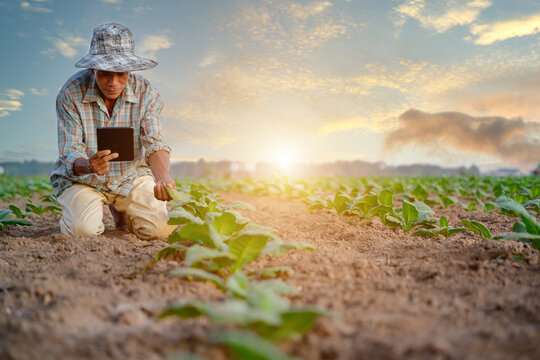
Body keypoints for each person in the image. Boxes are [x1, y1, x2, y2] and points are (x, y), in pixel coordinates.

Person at [50, 23, 176, 240]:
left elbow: (155, 143)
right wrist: (88, 165)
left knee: (160, 232)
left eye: (121, 74)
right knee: (82, 232)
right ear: (92, 70)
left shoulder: (147, 94)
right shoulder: (70, 94)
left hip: (131, 176)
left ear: (130, 71)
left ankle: (124, 209)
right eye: (105, 74)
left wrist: (163, 178)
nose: (113, 82)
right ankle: (78, 211)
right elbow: (69, 150)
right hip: (85, 180)